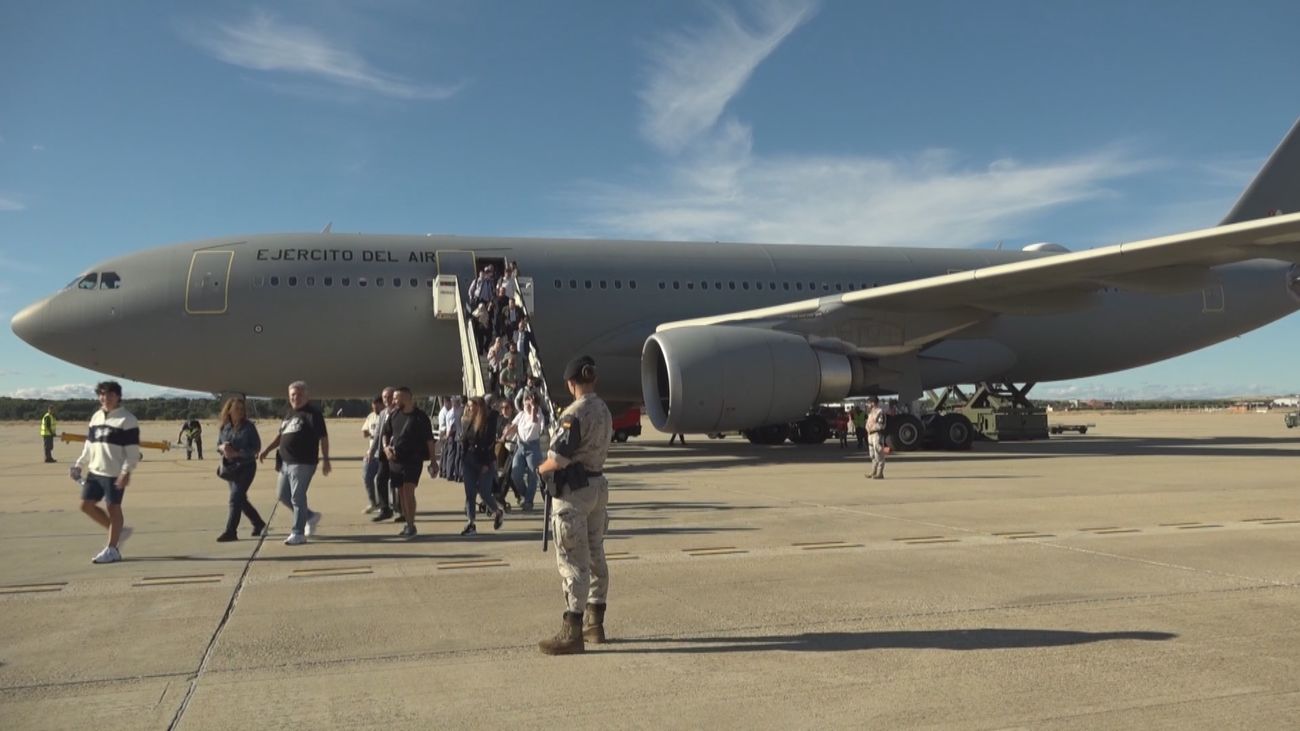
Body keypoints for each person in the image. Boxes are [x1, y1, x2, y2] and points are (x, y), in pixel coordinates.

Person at [537, 355, 614, 655]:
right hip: (597, 485)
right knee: (596, 554)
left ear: (571, 384)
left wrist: (540, 469)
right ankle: (596, 623)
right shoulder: (604, 409)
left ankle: (572, 630)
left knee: (572, 560)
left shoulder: (574, 413)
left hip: (573, 493)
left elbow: (558, 458)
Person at [70, 381, 140, 564]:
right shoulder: (96, 417)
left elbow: (132, 451)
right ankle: (118, 531)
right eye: (102, 394)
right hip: (95, 470)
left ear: (118, 397)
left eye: (109, 395)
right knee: (86, 505)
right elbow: (89, 445)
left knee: (113, 507)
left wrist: (126, 471)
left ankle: (112, 549)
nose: (105, 398)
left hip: (114, 472)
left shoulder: (127, 419)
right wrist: (79, 464)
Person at [258, 381, 330, 545]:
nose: (295, 398)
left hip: (303, 462)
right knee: (283, 495)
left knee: (297, 496)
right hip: (285, 462)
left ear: (306, 396)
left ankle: (298, 533)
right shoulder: (289, 413)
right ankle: (310, 516)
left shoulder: (313, 414)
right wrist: (267, 450)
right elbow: (281, 435)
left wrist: (326, 459)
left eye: (299, 394)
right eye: (292, 395)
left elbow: (323, 438)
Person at [382, 386, 438, 538]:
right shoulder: (393, 415)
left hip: (413, 460)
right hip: (396, 460)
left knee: (408, 490)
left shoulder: (421, 418)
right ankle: (408, 523)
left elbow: (429, 441)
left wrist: (433, 462)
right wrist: (386, 448)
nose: (393, 401)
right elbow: (385, 434)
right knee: (401, 493)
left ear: (406, 398)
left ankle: (411, 525)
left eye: (395, 398)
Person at [215, 396, 266, 541]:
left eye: (242, 409)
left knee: (235, 498)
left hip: (246, 467)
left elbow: (256, 448)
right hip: (231, 469)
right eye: (237, 409)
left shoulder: (249, 427)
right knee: (240, 499)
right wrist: (223, 447)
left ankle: (231, 531)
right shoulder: (225, 427)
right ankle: (259, 523)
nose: (240, 411)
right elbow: (217, 445)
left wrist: (237, 453)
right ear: (229, 410)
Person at [459, 396, 504, 535]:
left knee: (484, 492)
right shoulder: (467, 420)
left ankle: (497, 512)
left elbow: (489, 444)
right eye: (468, 406)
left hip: (484, 461)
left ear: (479, 407)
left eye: (472, 406)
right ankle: (471, 523)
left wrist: (485, 463)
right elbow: (464, 441)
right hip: (469, 461)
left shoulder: (488, 422)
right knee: (470, 493)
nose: (469, 408)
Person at [503, 389, 545, 511]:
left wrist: (533, 408)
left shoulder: (538, 413)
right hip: (521, 446)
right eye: (525, 400)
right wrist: (504, 436)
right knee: (515, 474)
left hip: (533, 447)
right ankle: (526, 495)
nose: (527, 402)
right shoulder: (520, 414)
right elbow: (513, 426)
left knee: (533, 475)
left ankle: (528, 501)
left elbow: (534, 422)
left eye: (529, 400)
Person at [367, 387, 397, 521]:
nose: (386, 400)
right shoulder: (383, 413)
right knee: (380, 479)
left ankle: (402, 510)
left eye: (389, 397)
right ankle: (385, 509)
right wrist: (371, 451)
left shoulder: (399, 412)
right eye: (384, 397)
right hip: (384, 453)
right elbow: (378, 434)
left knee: (397, 482)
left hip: (397, 453)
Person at [361, 395, 384, 514]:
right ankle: (373, 503)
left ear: (382, 404)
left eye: (377, 407)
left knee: (382, 481)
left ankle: (386, 505)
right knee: (367, 478)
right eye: (373, 408)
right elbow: (364, 431)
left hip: (383, 455)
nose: (375, 410)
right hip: (372, 454)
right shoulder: (371, 417)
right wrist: (370, 433)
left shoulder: (386, 416)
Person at [865, 397, 888, 480]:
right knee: (872, 455)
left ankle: (880, 473)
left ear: (873, 403)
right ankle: (873, 471)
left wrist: (873, 428)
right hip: (870, 435)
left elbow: (881, 424)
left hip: (876, 434)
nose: (867, 405)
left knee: (879, 454)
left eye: (868, 403)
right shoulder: (871, 413)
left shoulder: (879, 412)